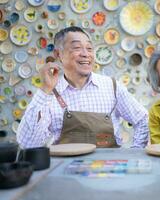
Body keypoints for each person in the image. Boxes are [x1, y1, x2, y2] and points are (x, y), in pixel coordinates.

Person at [17, 26, 149, 148]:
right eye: (77, 48)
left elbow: (143, 119)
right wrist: (45, 90)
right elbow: (28, 143)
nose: (86, 54)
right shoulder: (49, 94)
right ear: (58, 55)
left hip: (109, 168)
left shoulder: (112, 87)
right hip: (65, 169)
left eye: (90, 48)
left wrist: (136, 151)